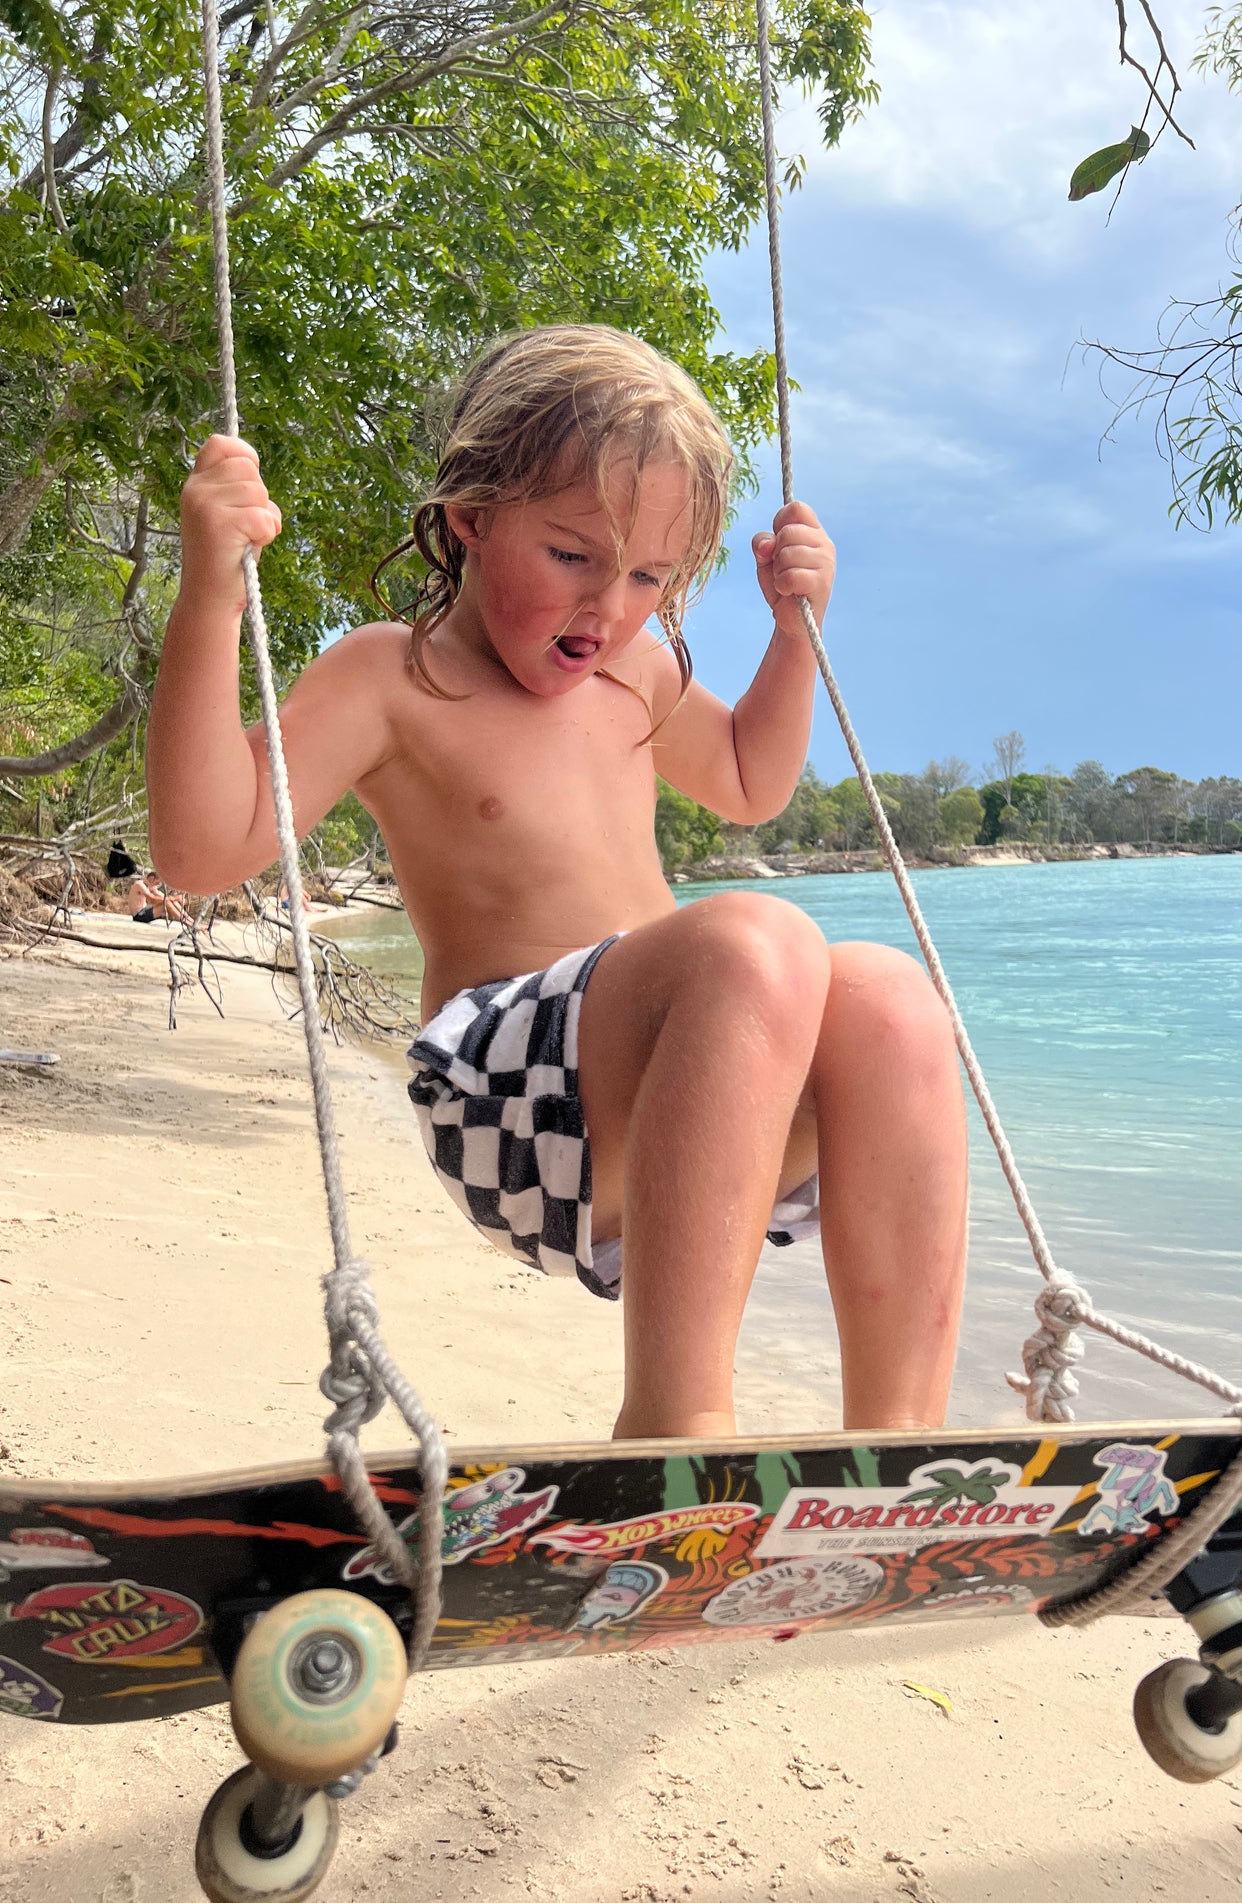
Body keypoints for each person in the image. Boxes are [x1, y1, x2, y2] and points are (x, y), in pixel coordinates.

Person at [147, 324, 968, 1440]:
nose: (608, 608)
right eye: (574, 556)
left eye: (649, 576)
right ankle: (674, 1423)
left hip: (671, 1120)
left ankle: (899, 1440)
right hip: (502, 1105)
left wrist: (790, 634)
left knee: (889, 996)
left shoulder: (636, 672)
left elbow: (746, 780)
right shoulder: (396, 678)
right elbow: (202, 852)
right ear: (471, 517)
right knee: (750, 940)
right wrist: (210, 600)